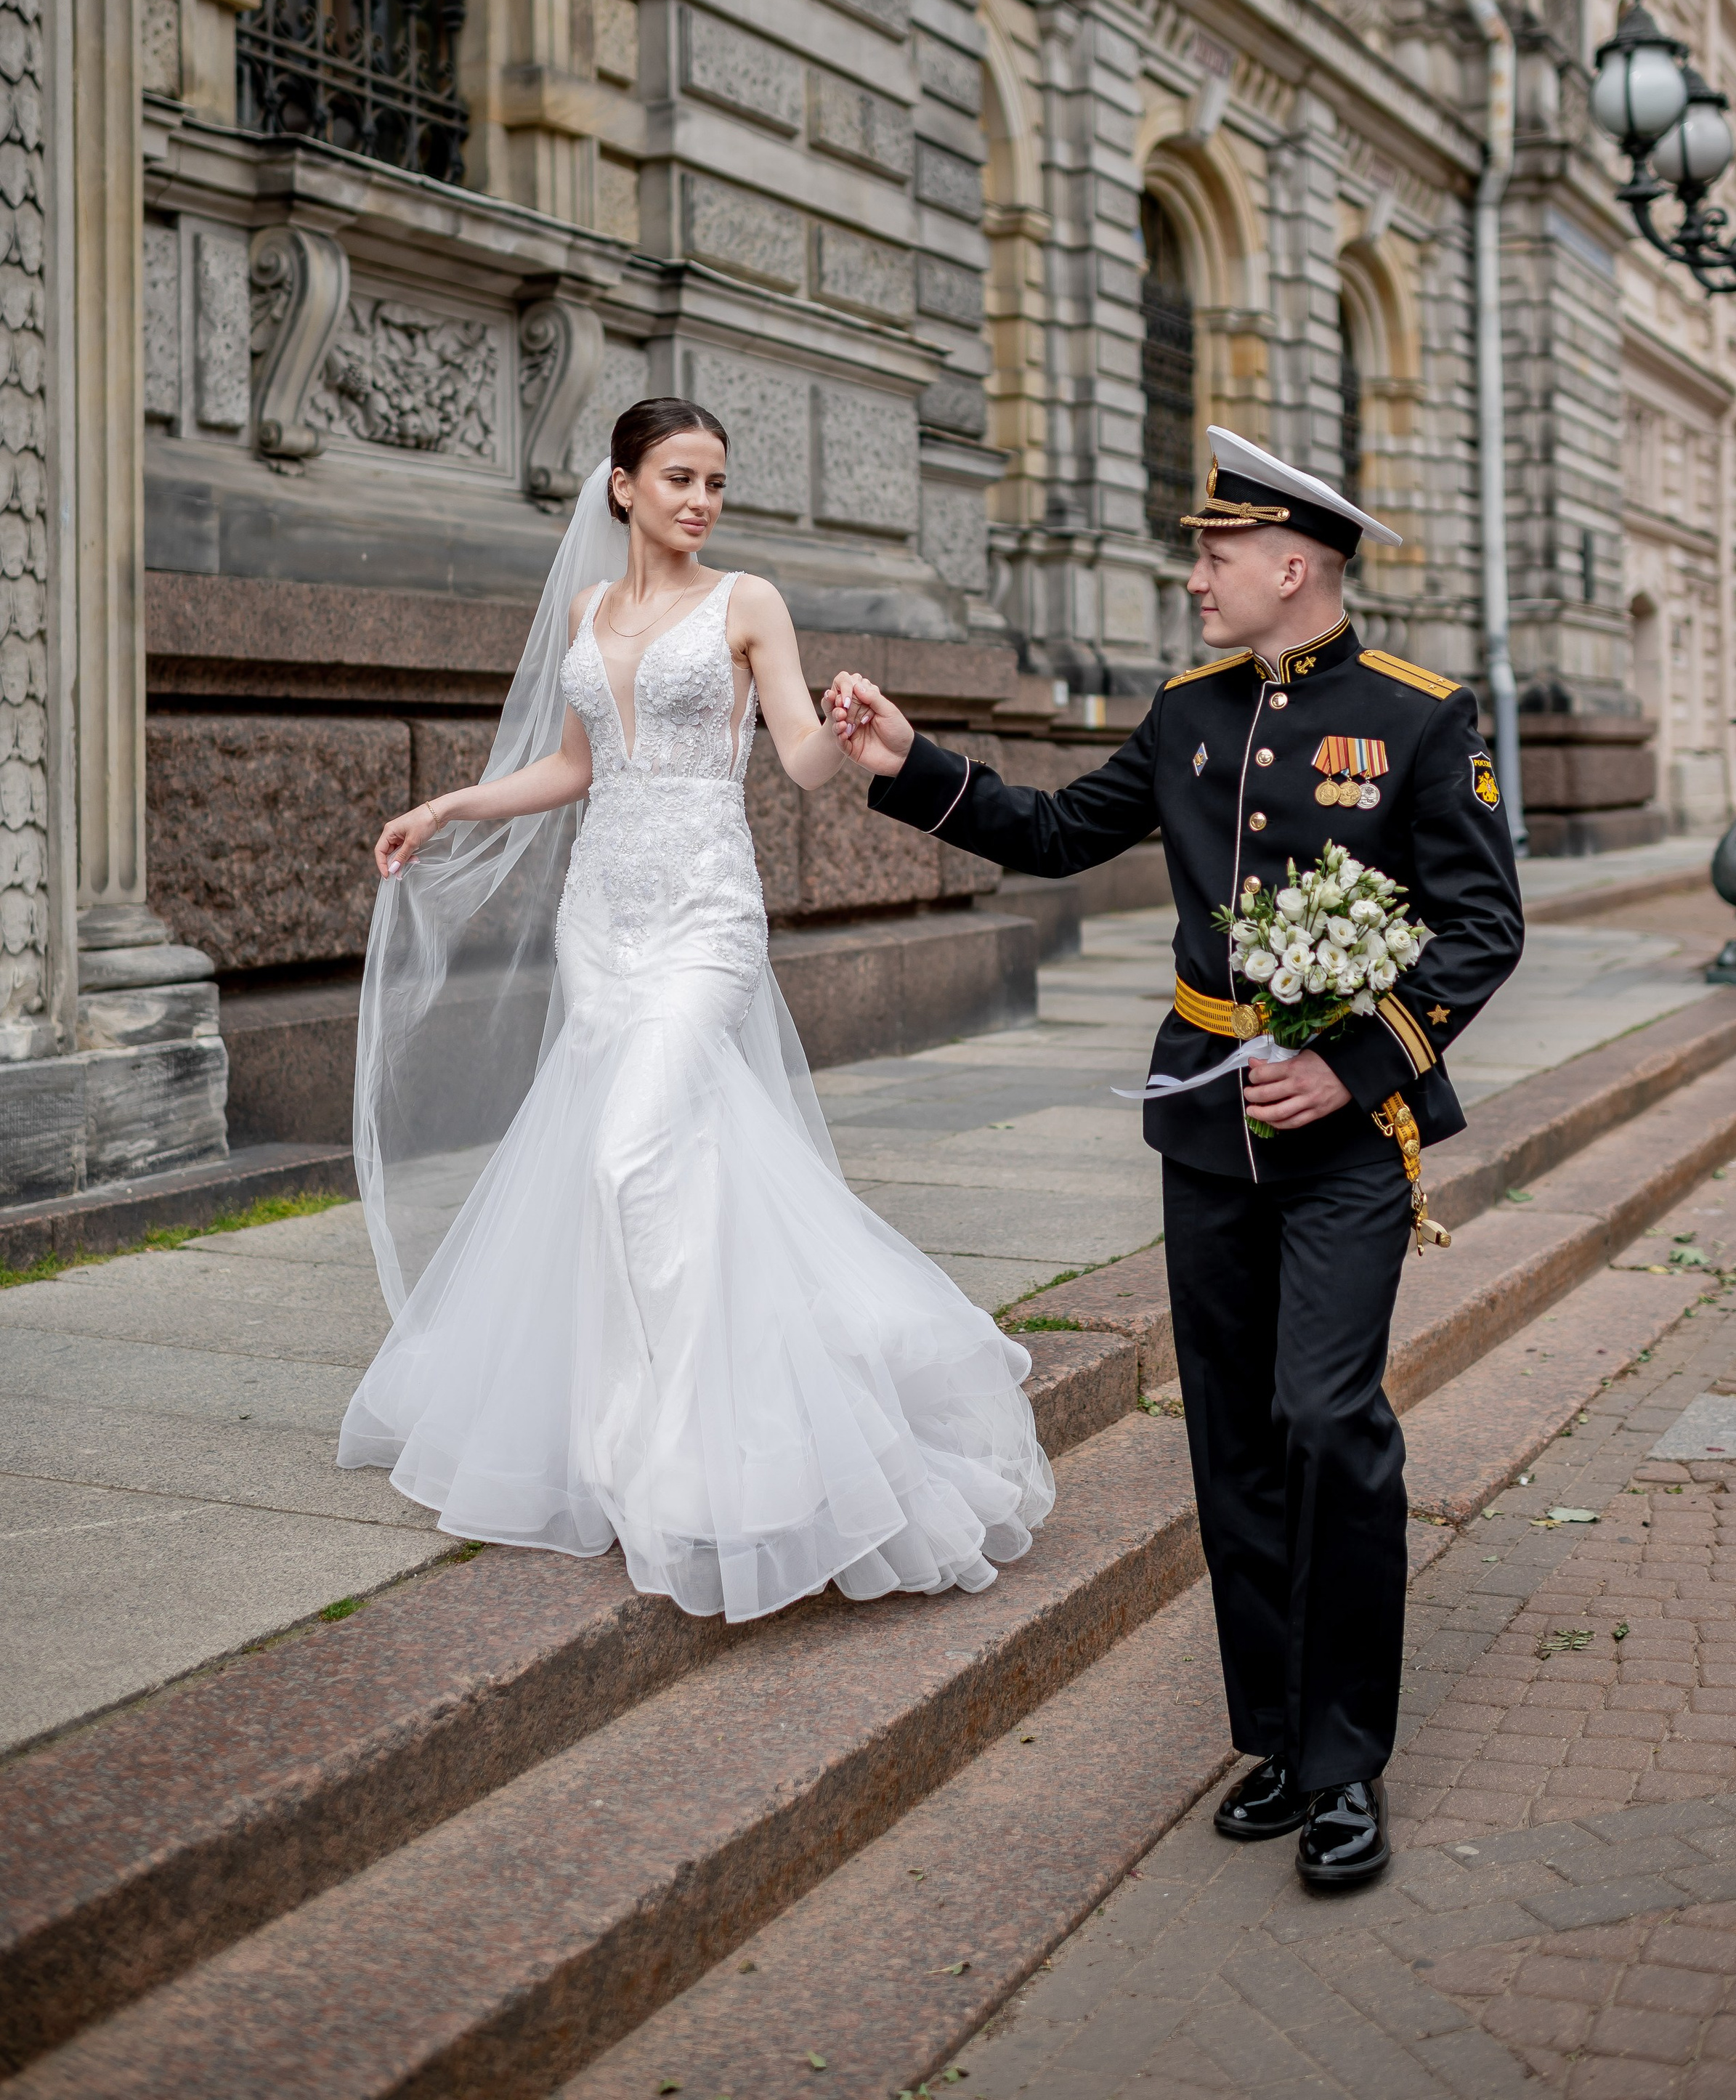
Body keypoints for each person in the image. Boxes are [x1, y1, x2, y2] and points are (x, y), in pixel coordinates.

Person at [829, 426, 1524, 1885]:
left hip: (1347, 1135)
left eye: (1216, 553)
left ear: (1294, 566)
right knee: (1230, 1439)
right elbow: (1053, 831)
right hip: (1208, 1129)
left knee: (1327, 1417)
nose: (1195, 576)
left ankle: (1346, 1762)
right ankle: (1275, 1739)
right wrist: (906, 765)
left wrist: (1352, 1066)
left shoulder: (1415, 717)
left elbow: (1481, 929)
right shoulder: (1188, 712)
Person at [339, 398, 1052, 1621]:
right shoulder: (587, 610)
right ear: (623, 487)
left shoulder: (748, 603)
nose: (701, 501)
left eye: (716, 481)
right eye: (679, 478)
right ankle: (625, 1440)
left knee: (627, 1158)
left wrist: (849, 734)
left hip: (704, 922)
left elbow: (799, 760)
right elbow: (575, 767)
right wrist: (449, 806)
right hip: (600, 922)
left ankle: (705, 1455)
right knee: (657, 1164)